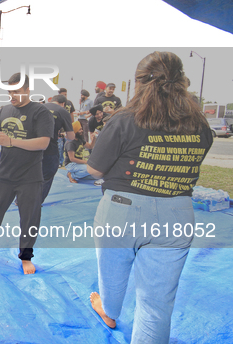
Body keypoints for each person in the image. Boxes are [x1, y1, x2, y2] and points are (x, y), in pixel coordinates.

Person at [86, 51, 213, 343]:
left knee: (112, 275)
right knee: (156, 305)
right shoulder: (201, 125)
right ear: (182, 81)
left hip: (121, 211)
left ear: (139, 83)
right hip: (178, 213)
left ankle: (109, 311)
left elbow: (94, 169)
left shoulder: (124, 120)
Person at [0, 73, 54, 275]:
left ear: (27, 90)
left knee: (29, 218)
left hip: (30, 176)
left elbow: (43, 143)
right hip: (4, 174)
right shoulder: (5, 110)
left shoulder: (41, 112)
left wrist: (11, 141)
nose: (12, 96)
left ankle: (26, 256)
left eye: (16, 91)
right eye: (9, 92)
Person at [42, 95, 75, 203]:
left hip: (32, 146)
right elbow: (71, 137)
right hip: (49, 148)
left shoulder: (39, 107)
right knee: (48, 174)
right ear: (63, 104)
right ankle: (36, 201)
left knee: (30, 173)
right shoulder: (63, 111)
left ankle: (20, 199)